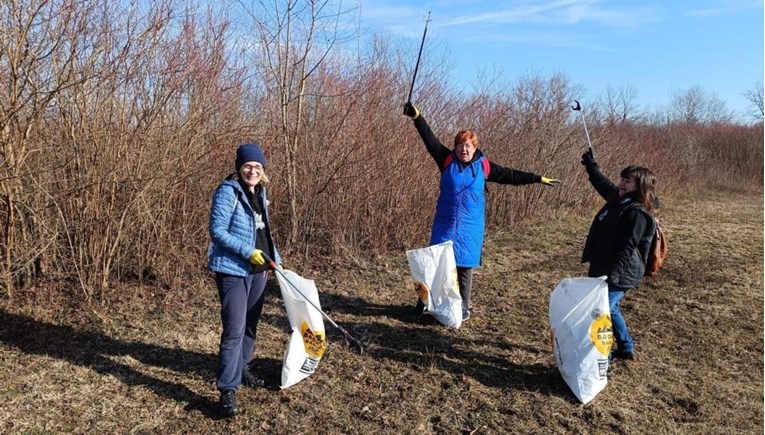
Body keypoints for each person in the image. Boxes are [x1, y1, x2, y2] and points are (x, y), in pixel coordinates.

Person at [403, 102, 560, 321]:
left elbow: (511, 176)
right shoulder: (446, 160)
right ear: (455, 148)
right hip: (445, 224)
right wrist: (417, 116)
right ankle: (424, 304)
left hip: (470, 227)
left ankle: (463, 308)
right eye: (460, 146)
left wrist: (537, 178)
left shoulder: (485, 167)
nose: (463, 150)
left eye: (467, 146)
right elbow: (429, 139)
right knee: (435, 263)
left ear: (475, 148)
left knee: (464, 268)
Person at [207, 143, 281, 418]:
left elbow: (265, 234)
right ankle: (227, 388)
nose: (252, 171)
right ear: (239, 168)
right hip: (232, 270)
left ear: (263, 172)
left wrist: (277, 261)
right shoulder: (228, 192)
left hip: (259, 271)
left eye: (257, 167)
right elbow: (217, 232)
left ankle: (243, 367)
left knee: (251, 324)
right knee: (234, 329)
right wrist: (249, 253)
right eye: (248, 166)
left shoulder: (261, 193)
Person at [580, 148, 657, 362]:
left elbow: (627, 247)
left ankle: (612, 348)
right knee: (608, 307)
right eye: (622, 179)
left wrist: (614, 274)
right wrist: (591, 166)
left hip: (622, 270)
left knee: (605, 306)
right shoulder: (620, 200)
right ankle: (625, 347)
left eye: (628, 181)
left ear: (640, 186)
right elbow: (603, 184)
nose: (622, 183)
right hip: (606, 264)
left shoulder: (636, 212)